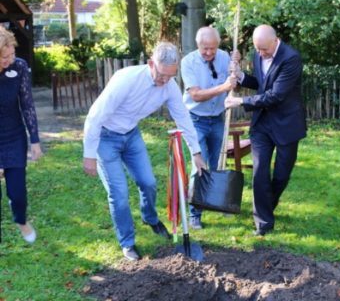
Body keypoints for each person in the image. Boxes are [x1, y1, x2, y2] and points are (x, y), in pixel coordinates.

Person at [83, 42, 206, 261]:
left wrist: (196, 152)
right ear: (151, 63)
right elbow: (95, 115)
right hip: (105, 137)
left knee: (148, 182)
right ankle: (127, 243)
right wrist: (89, 154)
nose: (165, 81)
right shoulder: (126, 79)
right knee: (119, 193)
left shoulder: (169, 86)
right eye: (161, 75)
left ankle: (149, 218)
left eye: (171, 76)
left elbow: (183, 118)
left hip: (131, 135)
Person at [225, 24, 306, 235]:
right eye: (257, 49)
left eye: (264, 50)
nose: (260, 54)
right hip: (262, 123)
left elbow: (275, 95)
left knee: (281, 175)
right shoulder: (258, 53)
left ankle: (267, 205)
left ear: (275, 40)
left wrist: (241, 101)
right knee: (260, 171)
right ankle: (263, 223)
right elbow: (261, 83)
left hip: (287, 123)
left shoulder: (291, 58)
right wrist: (242, 76)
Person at [181, 26, 237, 230]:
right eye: (205, 48)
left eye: (213, 48)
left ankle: (213, 202)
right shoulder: (188, 62)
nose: (209, 52)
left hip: (217, 118)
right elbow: (195, 94)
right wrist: (224, 87)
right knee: (200, 166)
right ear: (198, 45)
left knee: (215, 164)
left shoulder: (224, 57)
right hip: (195, 120)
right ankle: (195, 213)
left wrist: (236, 67)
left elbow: (235, 79)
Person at [0, 26, 43, 243]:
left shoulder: (20, 67)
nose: (9, 59)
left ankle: (21, 220)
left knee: (17, 192)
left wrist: (34, 140)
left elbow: (27, 106)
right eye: (4, 57)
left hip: (14, 137)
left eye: (11, 54)